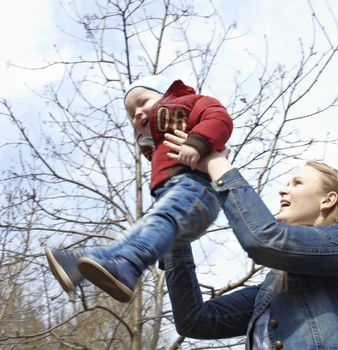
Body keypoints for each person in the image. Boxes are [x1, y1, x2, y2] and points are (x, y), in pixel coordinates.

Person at [161, 129, 338, 349]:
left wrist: (216, 165)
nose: (283, 190)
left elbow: (264, 239)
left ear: (328, 200)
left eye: (297, 183)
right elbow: (195, 320)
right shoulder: (272, 289)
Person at [45, 75, 233, 303]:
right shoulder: (156, 142)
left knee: (158, 222)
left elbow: (219, 119)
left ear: (168, 94)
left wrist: (197, 143)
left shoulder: (189, 103)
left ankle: (130, 265)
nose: (138, 114)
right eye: (132, 114)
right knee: (134, 234)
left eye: (143, 102)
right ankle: (80, 265)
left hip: (198, 189)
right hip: (178, 193)